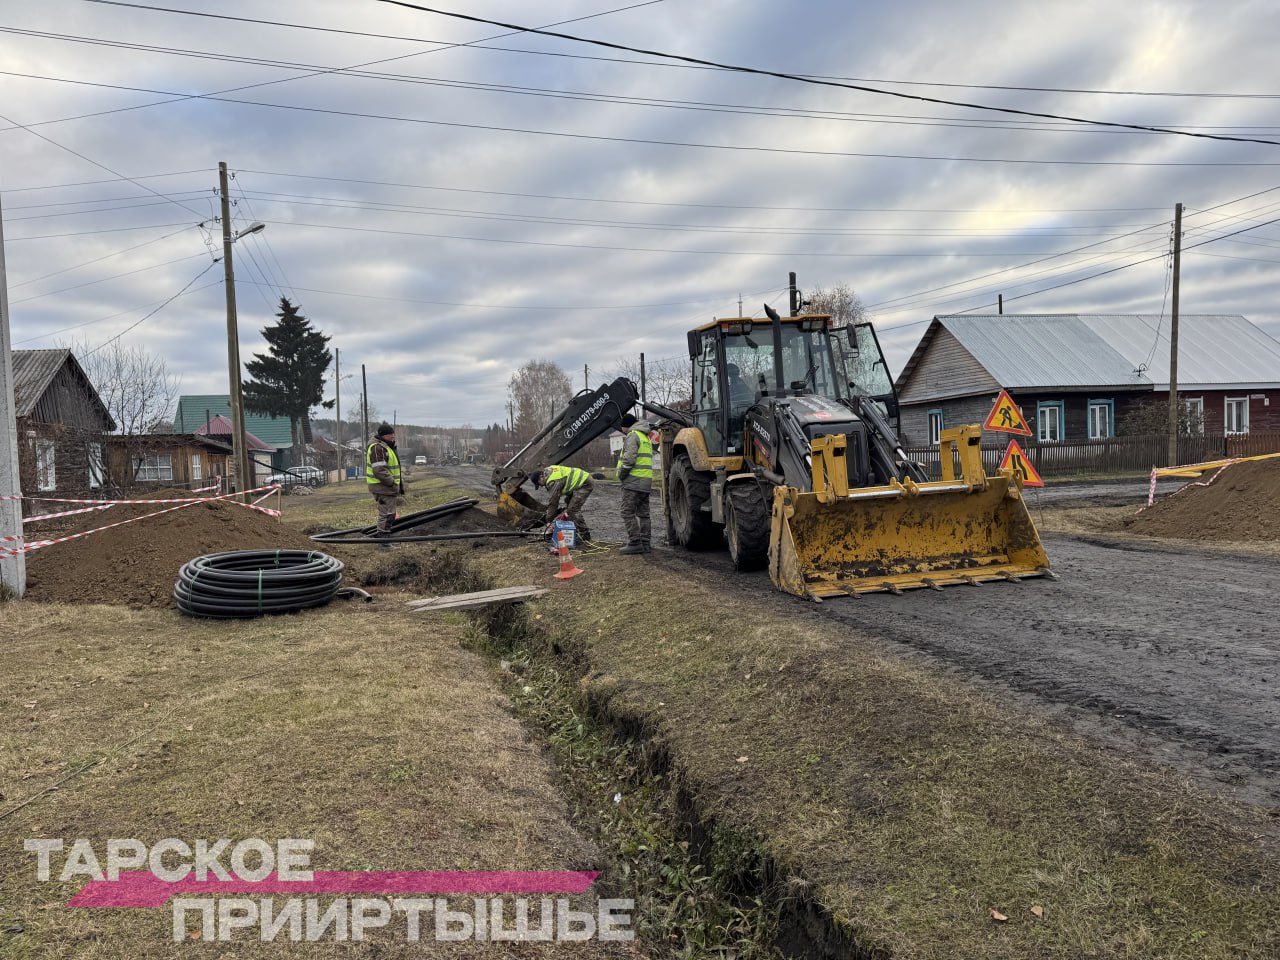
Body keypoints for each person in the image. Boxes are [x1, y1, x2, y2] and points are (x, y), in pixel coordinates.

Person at [615, 413, 653, 555]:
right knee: (644, 514)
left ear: (626, 425)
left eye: (622, 427)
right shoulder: (645, 436)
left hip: (633, 481)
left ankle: (635, 542)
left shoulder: (633, 435)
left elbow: (629, 459)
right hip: (645, 481)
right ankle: (645, 543)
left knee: (627, 511)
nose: (622, 429)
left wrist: (622, 474)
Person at [532, 465, 594, 541]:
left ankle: (585, 536)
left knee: (573, 509)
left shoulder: (552, 481)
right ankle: (573, 530)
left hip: (584, 483)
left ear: (541, 477)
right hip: (581, 480)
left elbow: (553, 502)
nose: (541, 486)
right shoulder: (548, 471)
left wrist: (548, 521)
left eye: (539, 483)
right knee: (568, 503)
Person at [365, 423, 404, 540]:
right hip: (383, 487)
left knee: (389, 514)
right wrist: (392, 483)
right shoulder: (378, 448)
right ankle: (383, 540)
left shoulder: (386, 447)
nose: (393, 436)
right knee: (386, 514)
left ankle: (385, 537)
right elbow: (379, 470)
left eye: (393, 434)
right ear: (383, 435)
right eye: (390, 434)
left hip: (387, 487)